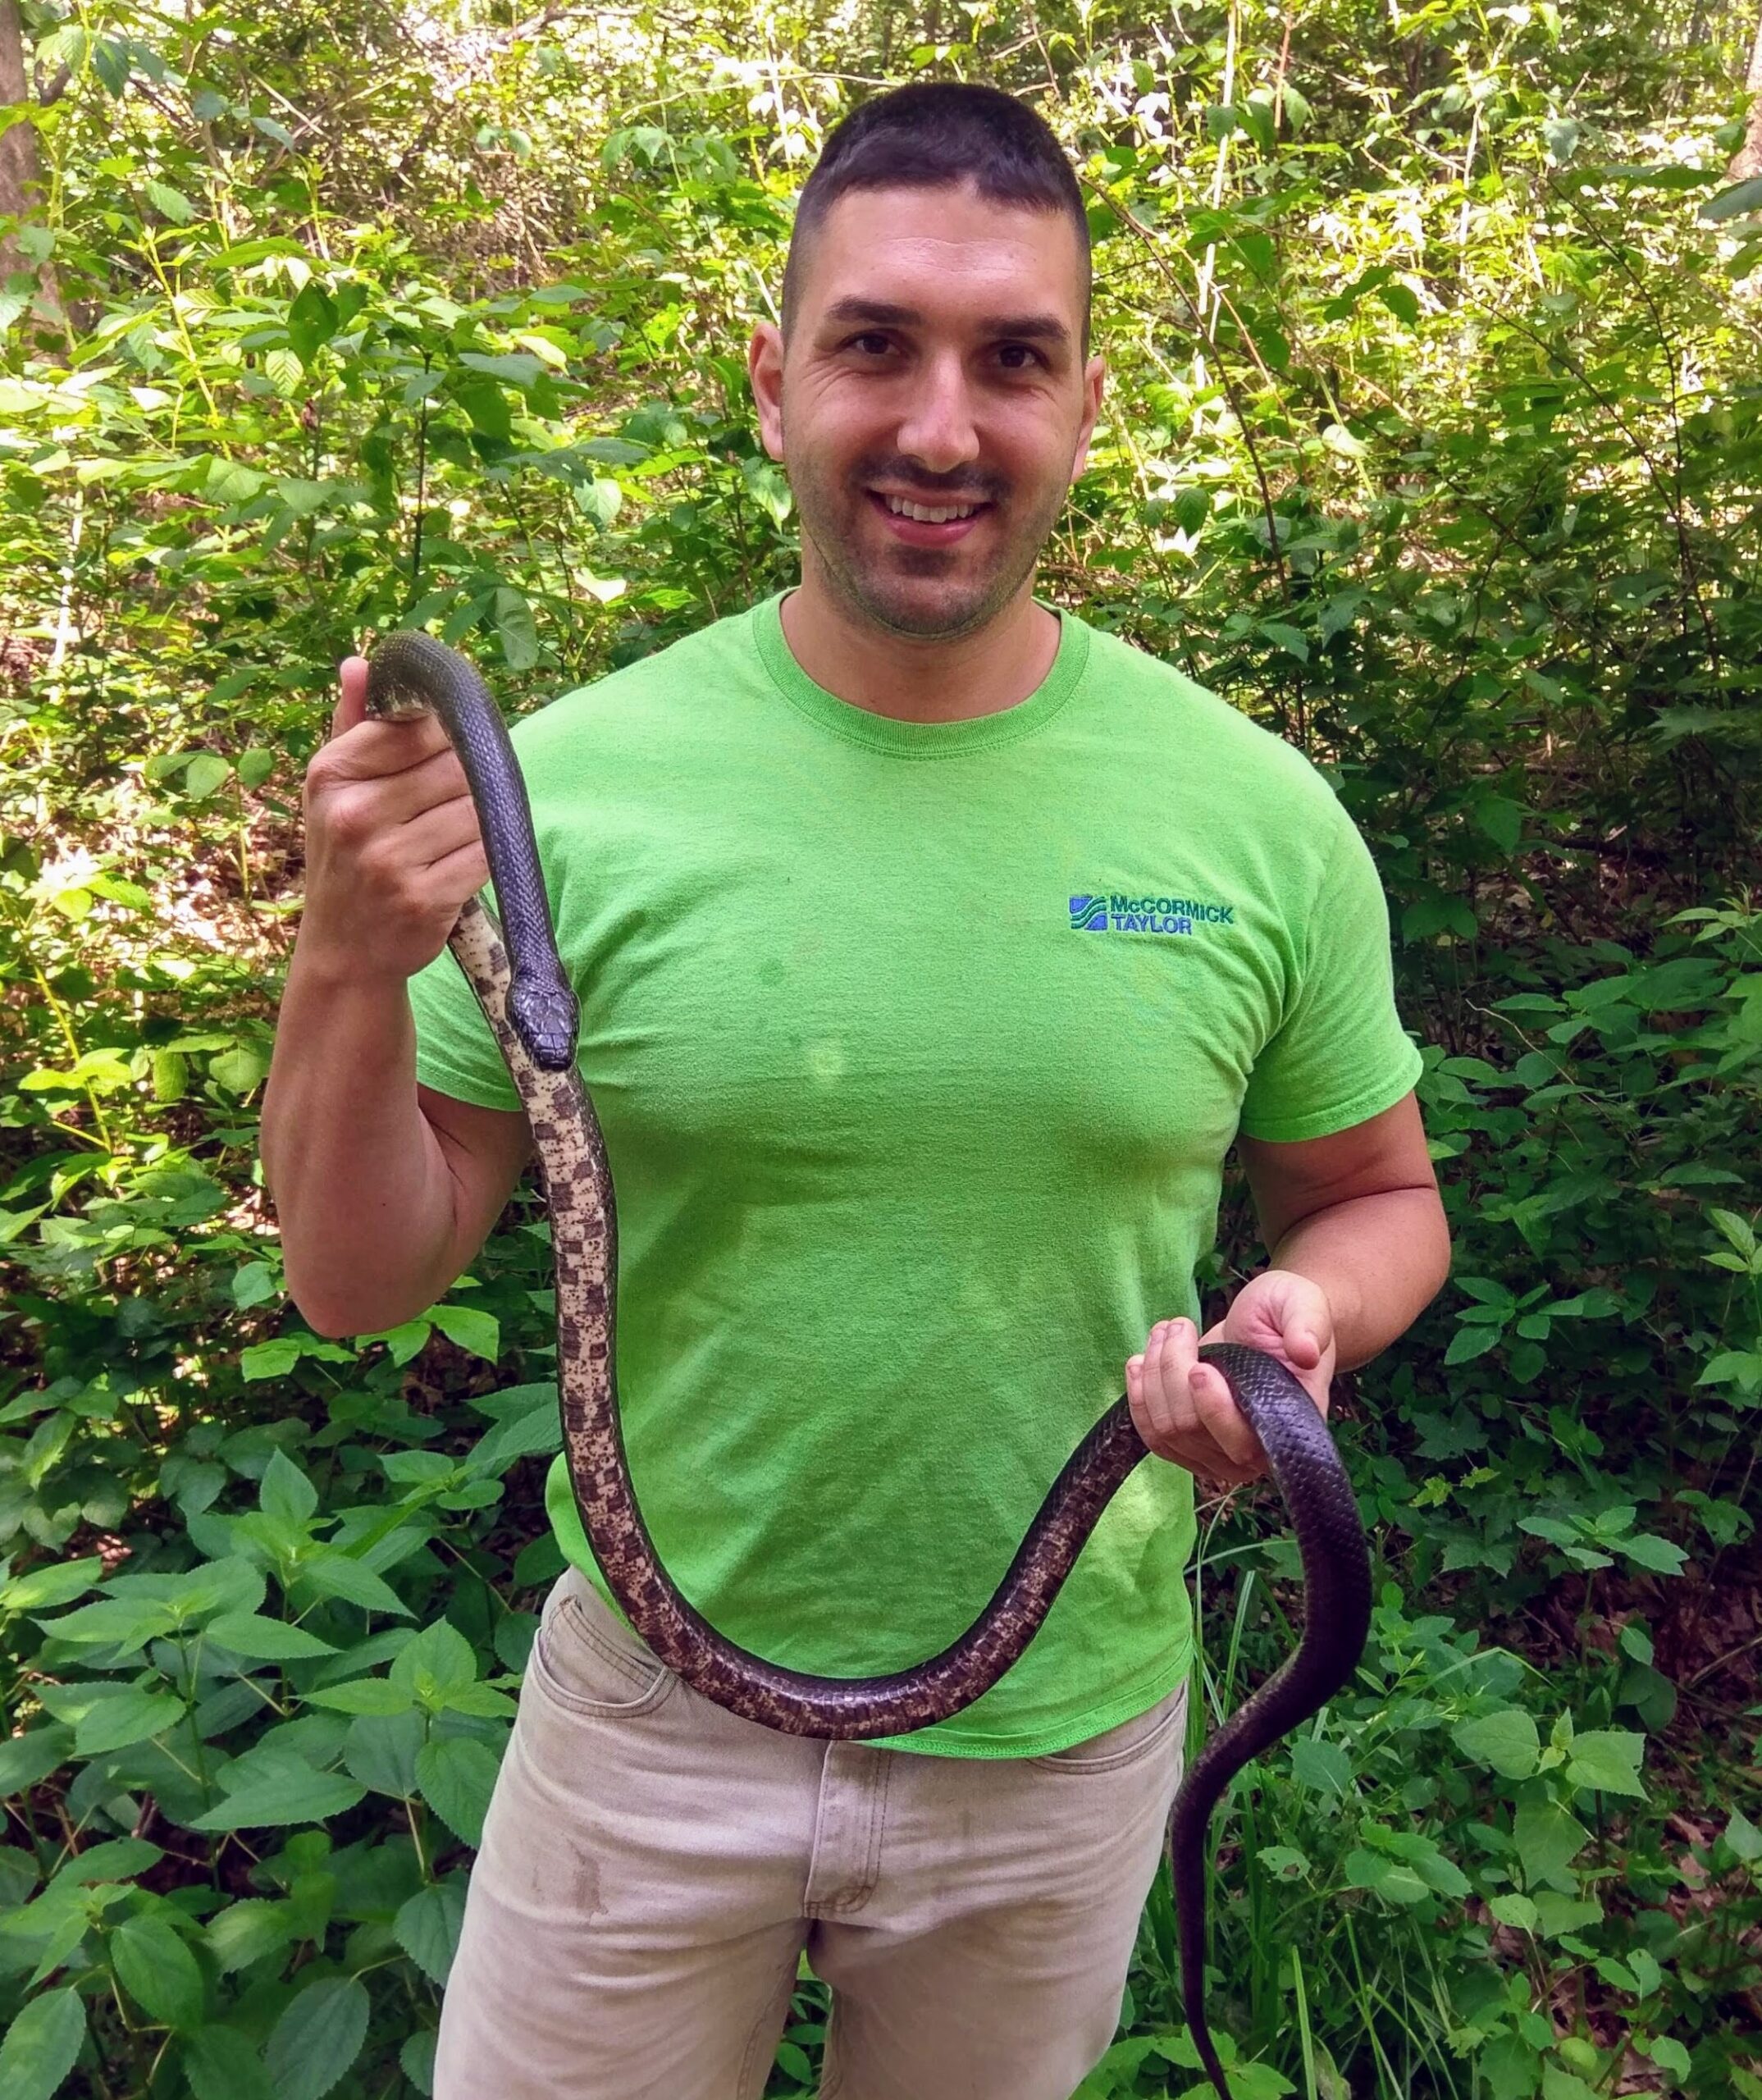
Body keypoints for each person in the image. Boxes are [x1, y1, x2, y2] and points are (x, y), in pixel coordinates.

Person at [262, 80, 1449, 2100]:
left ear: (1083, 402)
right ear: (771, 379)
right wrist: (345, 958)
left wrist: (1308, 1312)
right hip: (649, 1731)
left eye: (1013, 358)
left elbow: (1378, 1190)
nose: (939, 425)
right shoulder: (562, 788)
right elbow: (358, 1283)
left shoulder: (1259, 816)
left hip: (1062, 1743)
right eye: (875, 344)